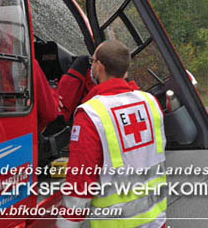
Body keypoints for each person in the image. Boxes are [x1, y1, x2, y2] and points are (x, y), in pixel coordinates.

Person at [56, 40, 167, 228]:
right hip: (156, 220)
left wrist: (65, 224)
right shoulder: (151, 102)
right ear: (125, 69)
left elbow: (81, 182)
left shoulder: (91, 113)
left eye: (92, 62)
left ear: (99, 66)